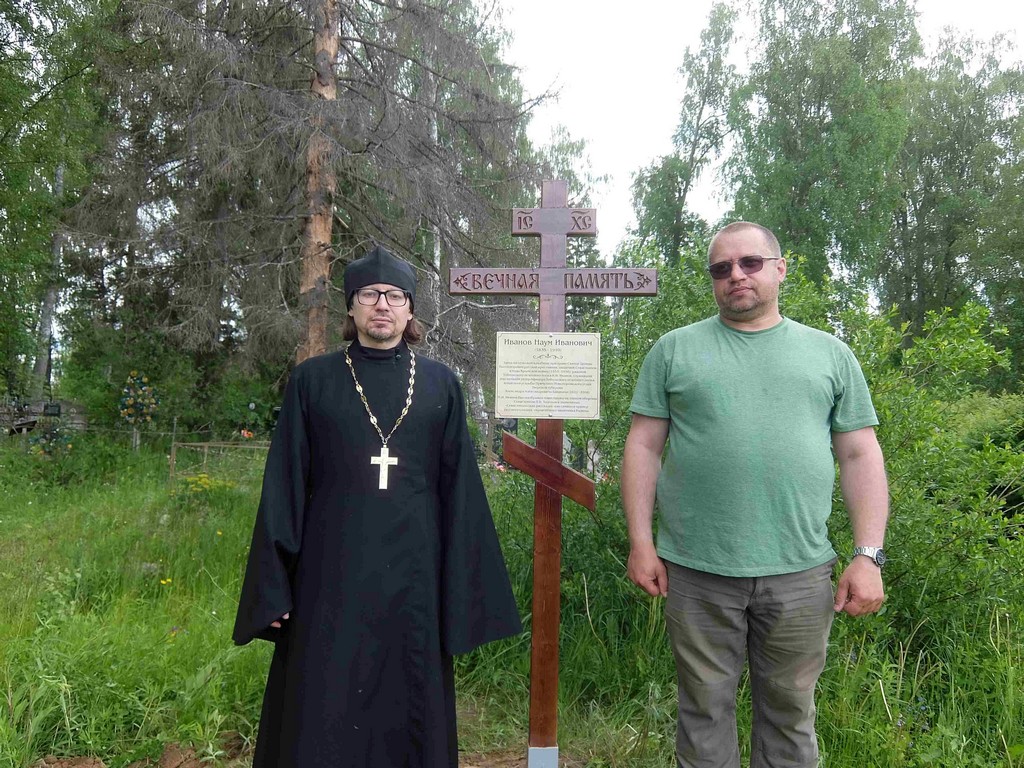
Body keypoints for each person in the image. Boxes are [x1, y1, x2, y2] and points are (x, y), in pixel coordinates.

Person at [233, 245, 522, 767]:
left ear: (410, 310)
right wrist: (273, 586)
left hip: (414, 581)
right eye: (369, 294)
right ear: (351, 306)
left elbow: (460, 494)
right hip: (328, 579)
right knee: (322, 703)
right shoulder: (312, 382)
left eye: (394, 295)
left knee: (409, 708)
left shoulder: (440, 385)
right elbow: (284, 486)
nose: (382, 305)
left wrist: (462, 592)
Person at [621, 222, 889, 768]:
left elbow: (860, 456)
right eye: (722, 268)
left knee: (791, 714)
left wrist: (868, 556)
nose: (736, 275)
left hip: (800, 571)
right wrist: (640, 543)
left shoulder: (830, 354)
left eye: (750, 262)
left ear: (780, 269)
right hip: (696, 569)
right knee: (703, 712)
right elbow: (643, 447)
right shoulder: (673, 351)